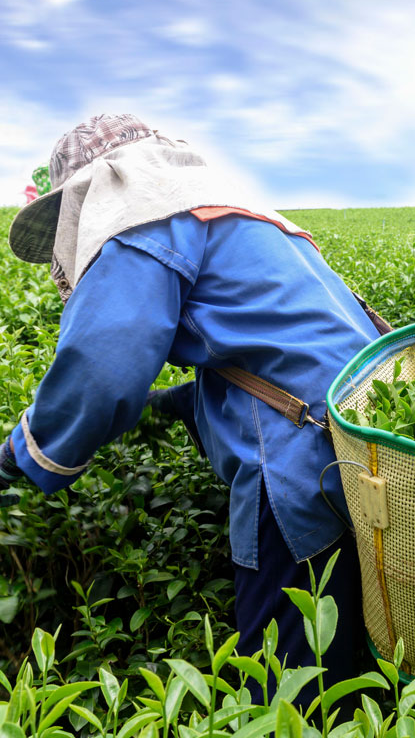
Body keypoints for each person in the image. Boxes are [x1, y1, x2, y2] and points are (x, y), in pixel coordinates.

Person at [0, 114, 382, 702]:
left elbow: (100, 368)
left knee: (287, 682)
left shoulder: (144, 219)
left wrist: (19, 455)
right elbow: (270, 349)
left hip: (292, 459)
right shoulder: (241, 217)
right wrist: (166, 408)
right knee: (341, 648)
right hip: (361, 440)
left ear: (98, 188)